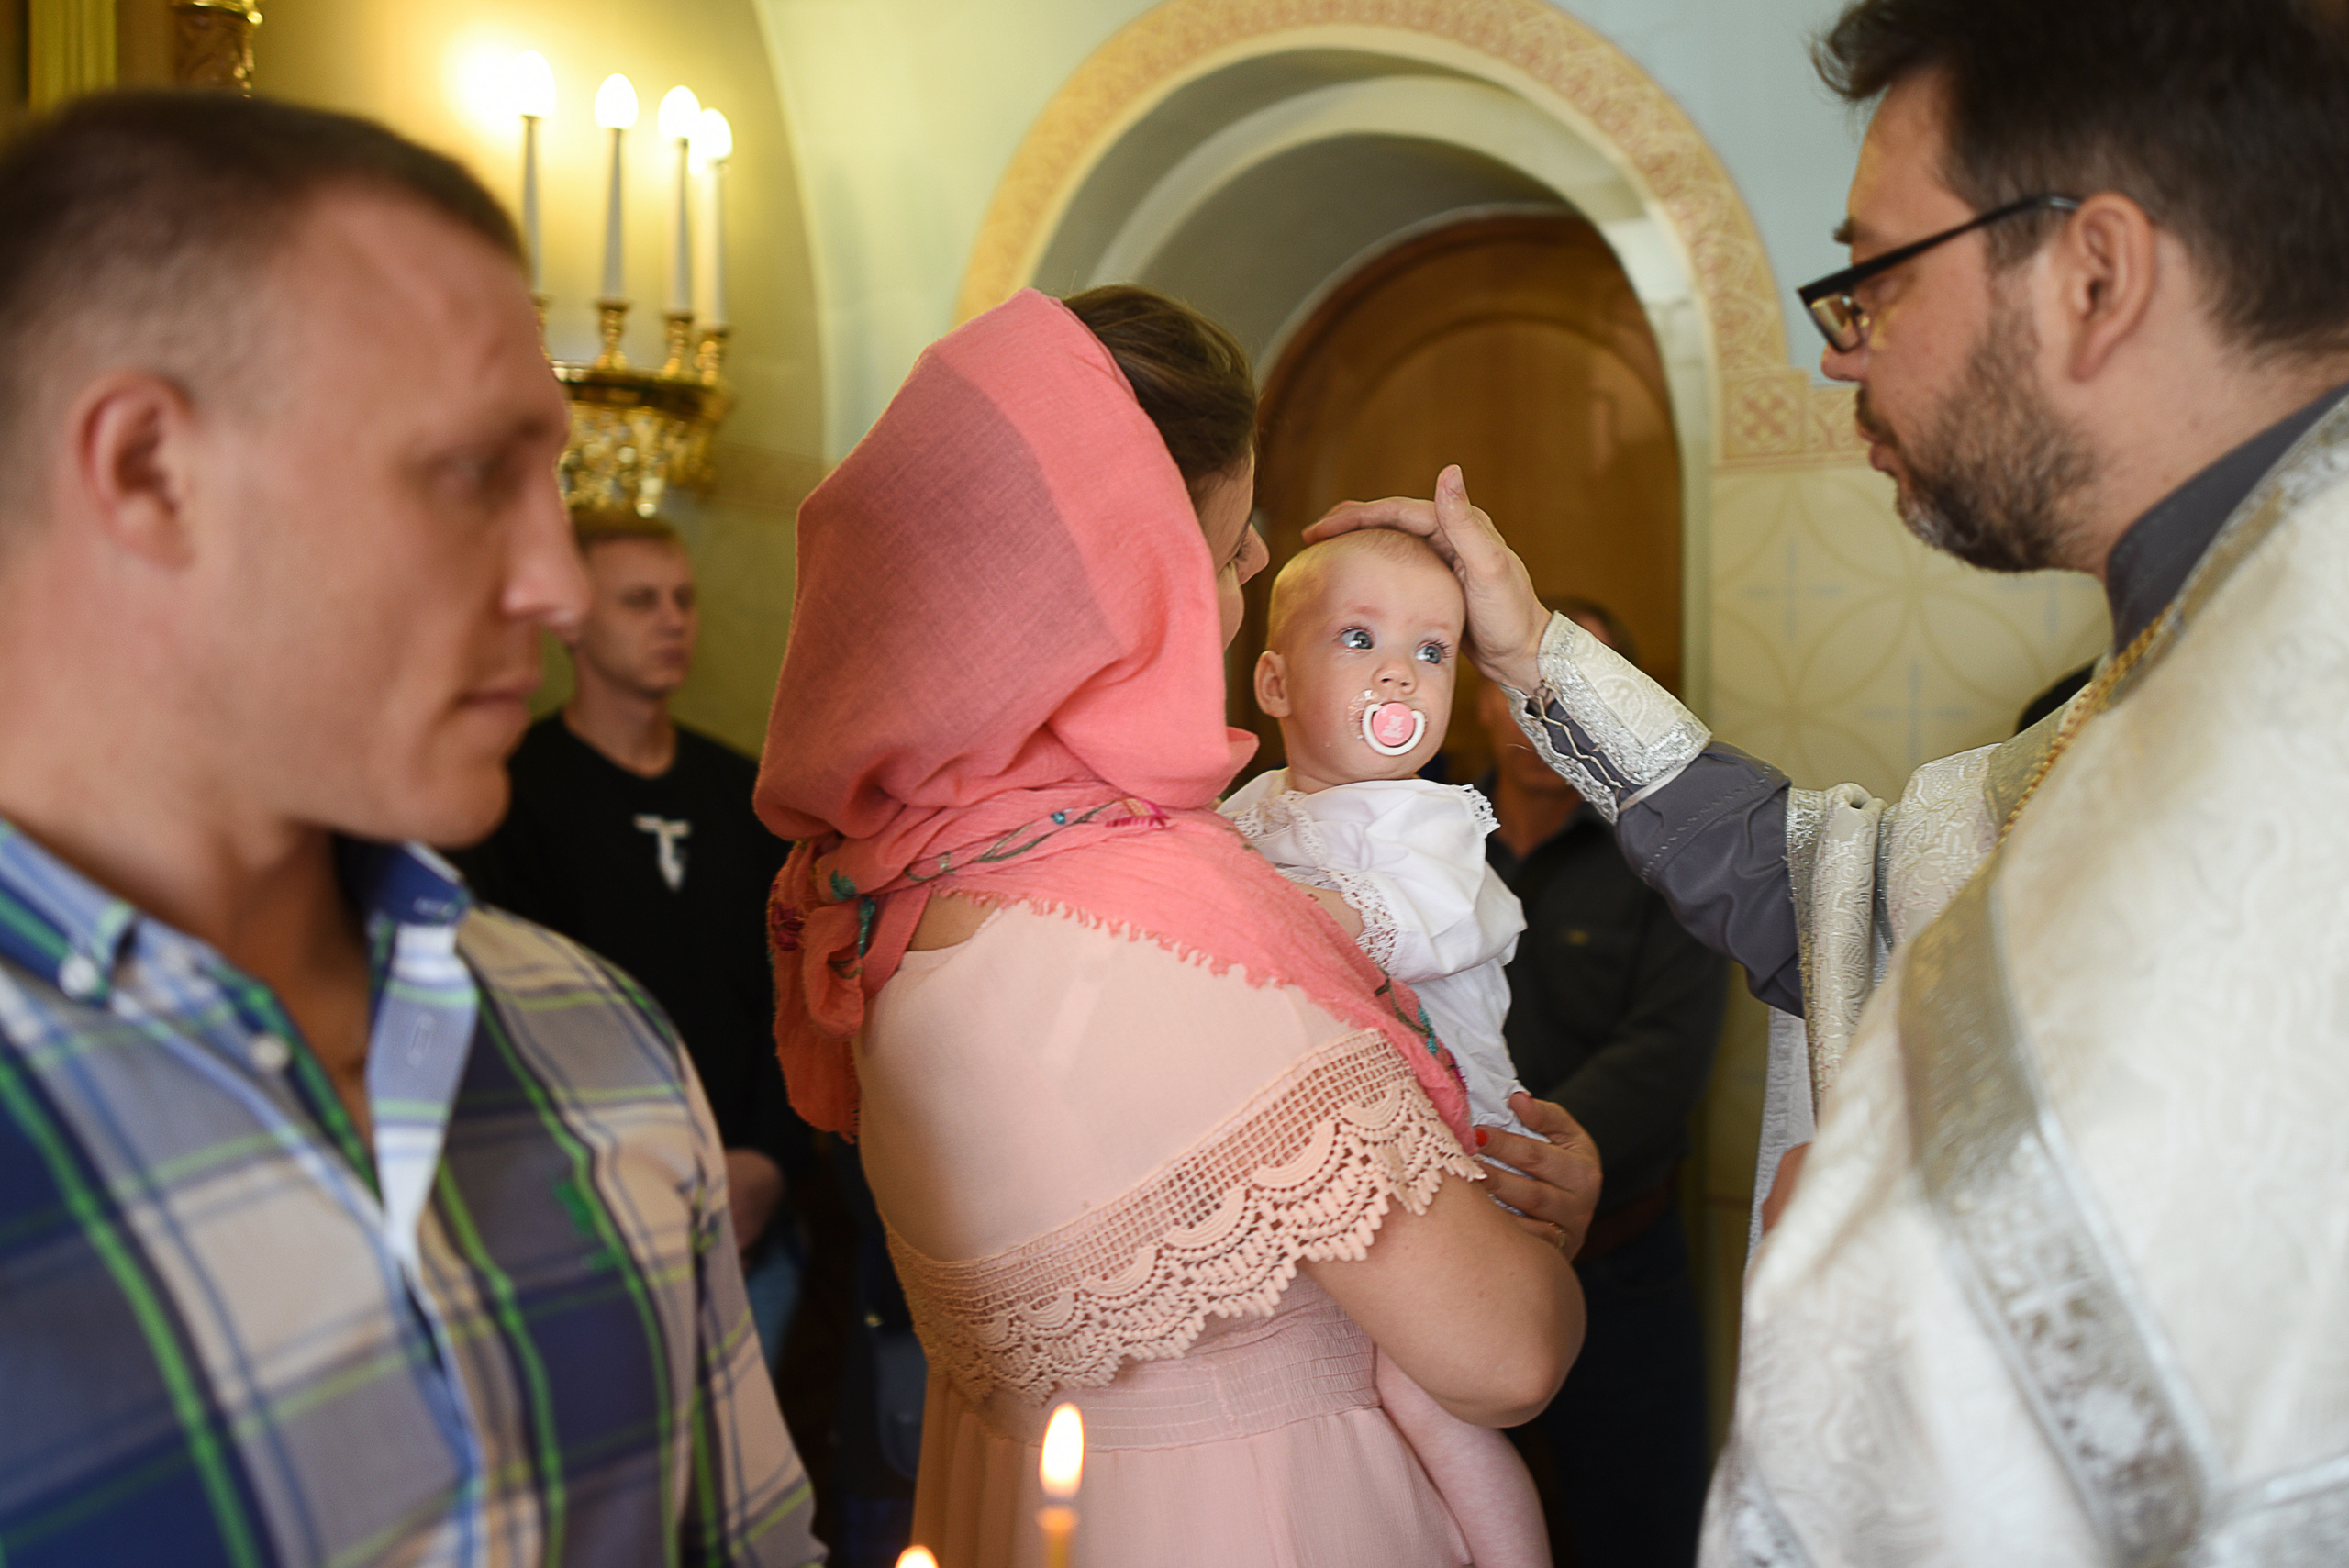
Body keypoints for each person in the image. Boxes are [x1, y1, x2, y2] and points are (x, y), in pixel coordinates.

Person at [1313, 0, 2349, 1558]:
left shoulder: (2295, 700)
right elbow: (1840, 889)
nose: (1832, 343)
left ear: (2095, 275)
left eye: (1875, 273)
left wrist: (1876, 1263)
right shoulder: (2204, 643)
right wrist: (1530, 653)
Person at [0, 91, 822, 1565]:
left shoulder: (599, 1044)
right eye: (470, 473)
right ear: (146, 471)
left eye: (553, 483)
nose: (558, 589)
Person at [754, 284, 1601, 1568]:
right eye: (1218, 545)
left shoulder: (873, 897)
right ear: (1120, 580)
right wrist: (1541, 1238)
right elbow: (1507, 1351)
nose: (1257, 564)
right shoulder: (1186, 926)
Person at [1219, 529, 1547, 1568]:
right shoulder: (1248, 809)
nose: (1399, 670)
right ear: (1274, 679)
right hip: (1348, 1135)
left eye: (1433, 649)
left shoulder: (1433, 820)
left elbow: (1410, 918)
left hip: (1456, 1133)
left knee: (1426, 1378)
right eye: (1358, 637)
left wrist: (1266, 906)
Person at [456, 516, 806, 1367]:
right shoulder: (511, 794)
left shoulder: (746, 793)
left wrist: (768, 1156)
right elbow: (512, 1016)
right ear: (571, 620)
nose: (673, 620)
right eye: (641, 600)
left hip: (754, 1207)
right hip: (586, 1210)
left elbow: (790, 987)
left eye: (683, 598)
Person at [1471, 606, 1725, 1568]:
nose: (1550, 715)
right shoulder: (1414, 828)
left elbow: (1665, 1051)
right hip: (1446, 1258)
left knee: (1641, 1532)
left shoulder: (1666, 853)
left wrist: (1523, 1166)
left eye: (1578, 691)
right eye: (1532, 686)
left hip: (1619, 1266)